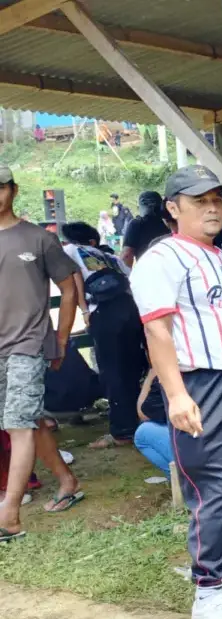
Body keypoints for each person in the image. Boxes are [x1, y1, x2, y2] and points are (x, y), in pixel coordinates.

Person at [129, 165, 222, 619]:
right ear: (173, 208)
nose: (213, 208)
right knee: (215, 486)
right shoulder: (162, 257)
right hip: (199, 382)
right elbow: (157, 330)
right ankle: (207, 596)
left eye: (217, 199)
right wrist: (175, 394)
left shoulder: (221, 256)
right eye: (199, 201)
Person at [0, 164, 81, 543]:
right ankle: (67, 480)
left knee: (18, 424)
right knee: (27, 420)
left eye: (1, 187)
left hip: (27, 345)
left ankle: (9, 515)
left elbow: (69, 288)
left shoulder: (38, 239)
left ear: (13, 190)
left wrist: (61, 339)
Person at [60, 222, 147, 449]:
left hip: (105, 313)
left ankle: (122, 432)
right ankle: (137, 420)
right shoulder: (111, 258)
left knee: (112, 372)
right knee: (131, 369)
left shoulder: (71, 250)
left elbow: (74, 278)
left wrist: (84, 310)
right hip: (130, 311)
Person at [133, 367, 171, 476]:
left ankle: (182, 479)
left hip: (203, 447)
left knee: (143, 433)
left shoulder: (171, 371)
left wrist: (151, 375)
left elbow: (144, 413)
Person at [120, 191, 169, 266]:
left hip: (147, 269)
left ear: (141, 207)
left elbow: (127, 255)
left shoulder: (137, 224)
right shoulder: (171, 223)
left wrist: (125, 272)